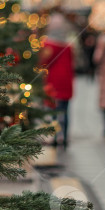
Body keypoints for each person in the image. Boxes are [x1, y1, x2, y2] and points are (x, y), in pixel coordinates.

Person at [40, 10, 76, 148]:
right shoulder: (68, 46)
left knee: (54, 112)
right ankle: (65, 136)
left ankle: (54, 137)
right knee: (65, 111)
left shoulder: (49, 45)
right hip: (67, 82)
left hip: (53, 82)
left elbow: (44, 61)